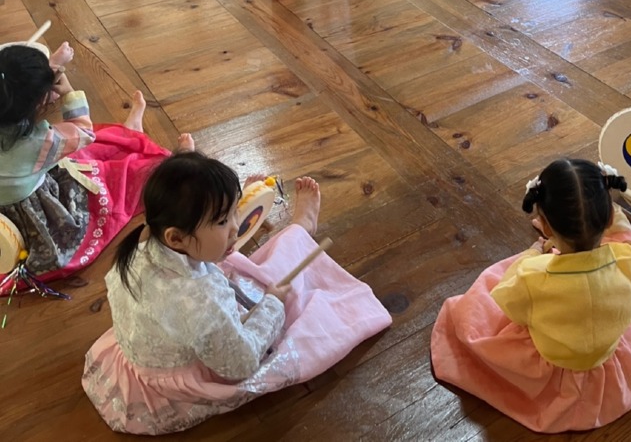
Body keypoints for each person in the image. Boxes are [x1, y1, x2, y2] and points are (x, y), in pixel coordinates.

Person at [82, 154, 392, 434]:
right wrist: (274, 304)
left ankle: (297, 232)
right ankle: (300, 230)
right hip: (188, 372)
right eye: (223, 220)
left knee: (241, 265)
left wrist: (224, 217)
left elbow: (200, 273)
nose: (235, 227)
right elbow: (241, 363)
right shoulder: (202, 302)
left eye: (235, 212)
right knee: (288, 293)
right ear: (176, 238)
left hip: (147, 349)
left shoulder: (142, 244)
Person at [431, 158, 631, 434]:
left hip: (553, 361)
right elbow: (624, 238)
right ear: (609, 218)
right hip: (606, 352)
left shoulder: (532, 277)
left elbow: (513, 311)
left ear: (544, 226)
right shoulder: (630, 261)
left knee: (483, 298)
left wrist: (533, 252)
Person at [0, 43, 180, 280]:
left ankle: (130, 134)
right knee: (103, 162)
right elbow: (84, 132)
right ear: (38, 103)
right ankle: (132, 136)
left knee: (80, 152)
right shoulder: (41, 142)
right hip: (29, 211)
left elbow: (14, 85)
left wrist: (48, 70)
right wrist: (68, 92)